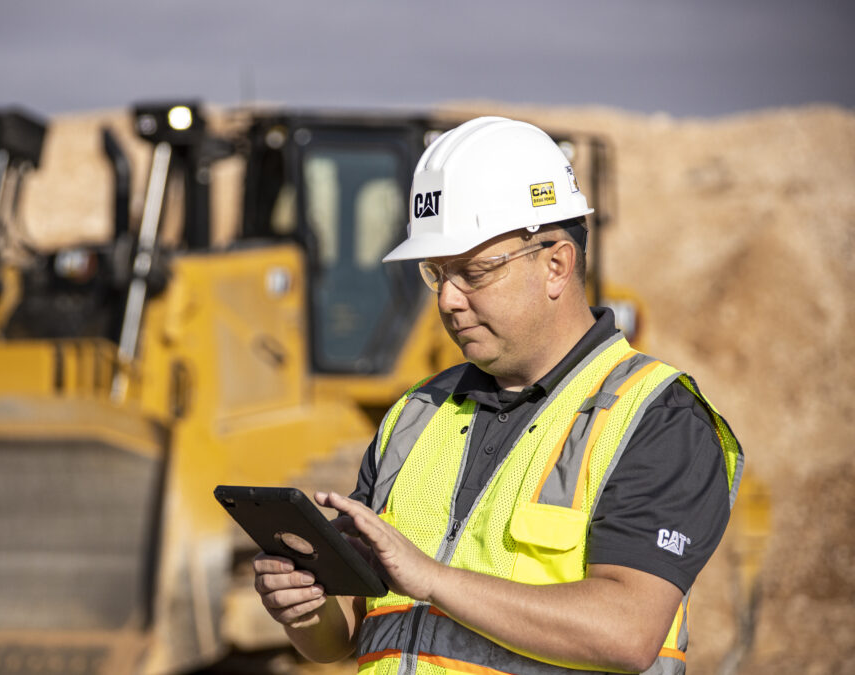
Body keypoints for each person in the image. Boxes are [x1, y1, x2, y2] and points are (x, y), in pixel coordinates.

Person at [252, 117, 744, 674]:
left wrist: (432, 579)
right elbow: (344, 635)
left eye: (474, 272)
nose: (448, 300)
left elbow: (626, 631)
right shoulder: (416, 414)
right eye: (437, 273)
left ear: (556, 264)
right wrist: (305, 609)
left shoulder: (656, 418)